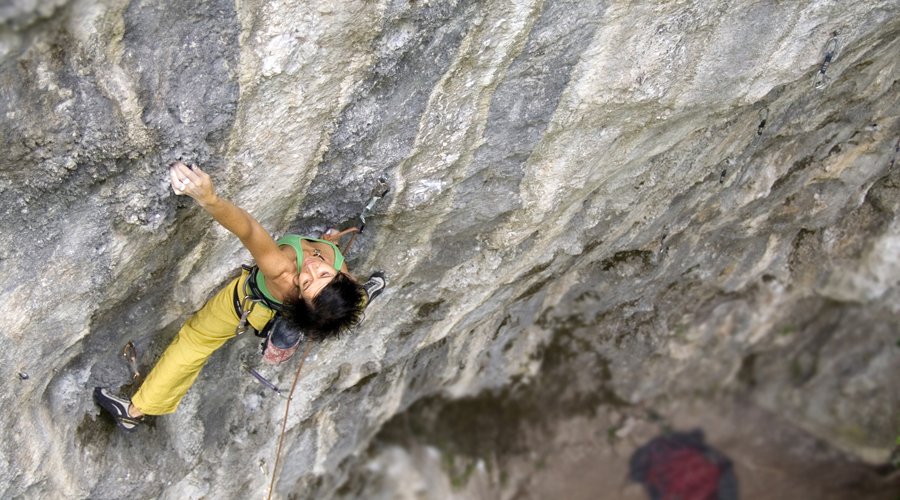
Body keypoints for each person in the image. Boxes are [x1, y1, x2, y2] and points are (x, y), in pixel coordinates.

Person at [94, 161, 385, 431]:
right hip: (290, 307)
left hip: (244, 305)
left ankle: (133, 412)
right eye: (323, 273)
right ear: (343, 277)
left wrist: (209, 199)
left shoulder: (282, 270)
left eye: (306, 283)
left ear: (300, 296)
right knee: (335, 305)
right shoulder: (342, 272)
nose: (310, 268)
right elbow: (324, 276)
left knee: (195, 342)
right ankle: (296, 326)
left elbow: (247, 229)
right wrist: (324, 244)